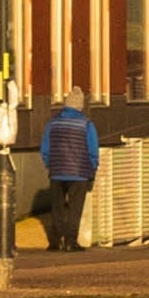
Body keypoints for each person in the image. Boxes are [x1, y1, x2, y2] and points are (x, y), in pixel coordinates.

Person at [37, 91, 100, 252]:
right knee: (75, 208)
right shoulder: (86, 124)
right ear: (80, 105)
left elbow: (45, 148)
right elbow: (93, 150)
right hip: (79, 173)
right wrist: (92, 168)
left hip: (57, 171)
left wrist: (50, 164)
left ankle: (55, 241)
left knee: (57, 208)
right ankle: (71, 241)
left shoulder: (52, 123)